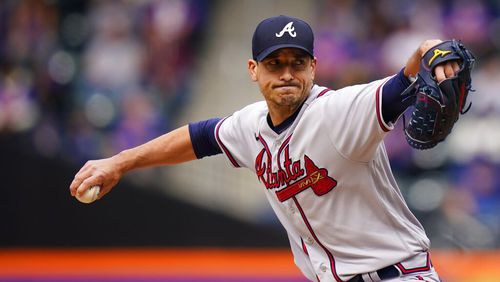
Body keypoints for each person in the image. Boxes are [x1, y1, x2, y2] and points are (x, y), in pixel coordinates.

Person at [69, 15, 461, 281]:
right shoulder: (250, 125)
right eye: (275, 64)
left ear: (313, 67)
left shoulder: (340, 110)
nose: (287, 73)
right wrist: (119, 162)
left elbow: (399, 84)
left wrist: (428, 48)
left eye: (297, 62)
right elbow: (198, 137)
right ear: (254, 70)